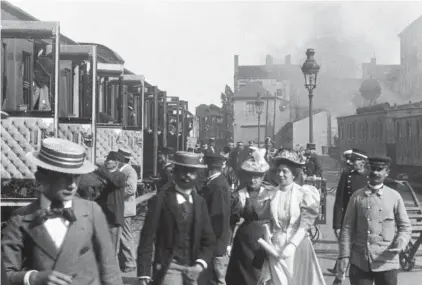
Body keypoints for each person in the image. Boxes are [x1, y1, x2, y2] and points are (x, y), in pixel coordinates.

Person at [1, 138, 123, 285]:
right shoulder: (21, 219)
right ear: (41, 178)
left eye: (76, 177)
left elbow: (110, 272)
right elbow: (5, 275)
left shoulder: (92, 211)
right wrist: (32, 278)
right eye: (63, 177)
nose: (72, 185)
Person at [137, 151, 216, 285]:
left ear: (197, 175)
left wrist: (200, 265)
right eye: (183, 172)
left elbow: (209, 239)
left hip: (194, 269)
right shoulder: (161, 200)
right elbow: (147, 236)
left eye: (192, 172)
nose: (187, 176)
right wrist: (144, 271)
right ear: (174, 173)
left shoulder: (200, 203)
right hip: (169, 267)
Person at [334, 156, 412, 285]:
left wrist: (401, 242)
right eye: (372, 169)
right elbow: (347, 229)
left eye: (379, 169)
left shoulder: (394, 196)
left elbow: (405, 227)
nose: (375, 173)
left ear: (387, 172)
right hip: (361, 261)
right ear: (367, 170)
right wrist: (344, 255)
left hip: (387, 261)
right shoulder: (357, 196)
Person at [254, 149, 326, 285]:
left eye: (285, 171)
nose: (280, 174)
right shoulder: (270, 194)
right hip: (275, 247)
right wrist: (267, 234)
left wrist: (292, 245)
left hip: (298, 247)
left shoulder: (304, 193)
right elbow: (266, 220)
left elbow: (305, 224)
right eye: (278, 171)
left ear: (294, 174)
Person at [225, 150, 273, 285]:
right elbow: (231, 222)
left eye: (257, 176)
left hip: (267, 240)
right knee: (244, 278)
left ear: (263, 176)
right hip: (245, 243)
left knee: (265, 276)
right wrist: (228, 243)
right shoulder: (239, 195)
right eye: (250, 176)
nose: (253, 180)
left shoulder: (271, 193)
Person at [328, 149, 369, 274]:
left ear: (362, 161)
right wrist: (337, 225)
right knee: (346, 243)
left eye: (353, 160)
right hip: (349, 217)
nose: (350, 163)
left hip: (366, 217)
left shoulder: (371, 176)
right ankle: (340, 271)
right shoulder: (347, 175)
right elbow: (339, 201)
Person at [199, 154, 232, 285]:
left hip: (215, 242)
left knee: (216, 278)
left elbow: (219, 217)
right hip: (215, 240)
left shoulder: (217, 185)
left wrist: (210, 240)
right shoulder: (215, 182)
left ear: (208, 167)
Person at [95, 151, 126, 256]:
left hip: (114, 217)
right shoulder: (103, 174)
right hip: (102, 216)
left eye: (108, 160)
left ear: (116, 163)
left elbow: (113, 181)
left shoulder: (120, 176)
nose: (106, 162)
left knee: (112, 252)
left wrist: (101, 168)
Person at [117, 148, 139, 273]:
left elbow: (131, 189)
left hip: (125, 208)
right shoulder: (123, 170)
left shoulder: (129, 171)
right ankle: (125, 261)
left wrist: (116, 195)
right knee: (122, 236)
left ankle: (130, 262)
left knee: (125, 236)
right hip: (121, 208)